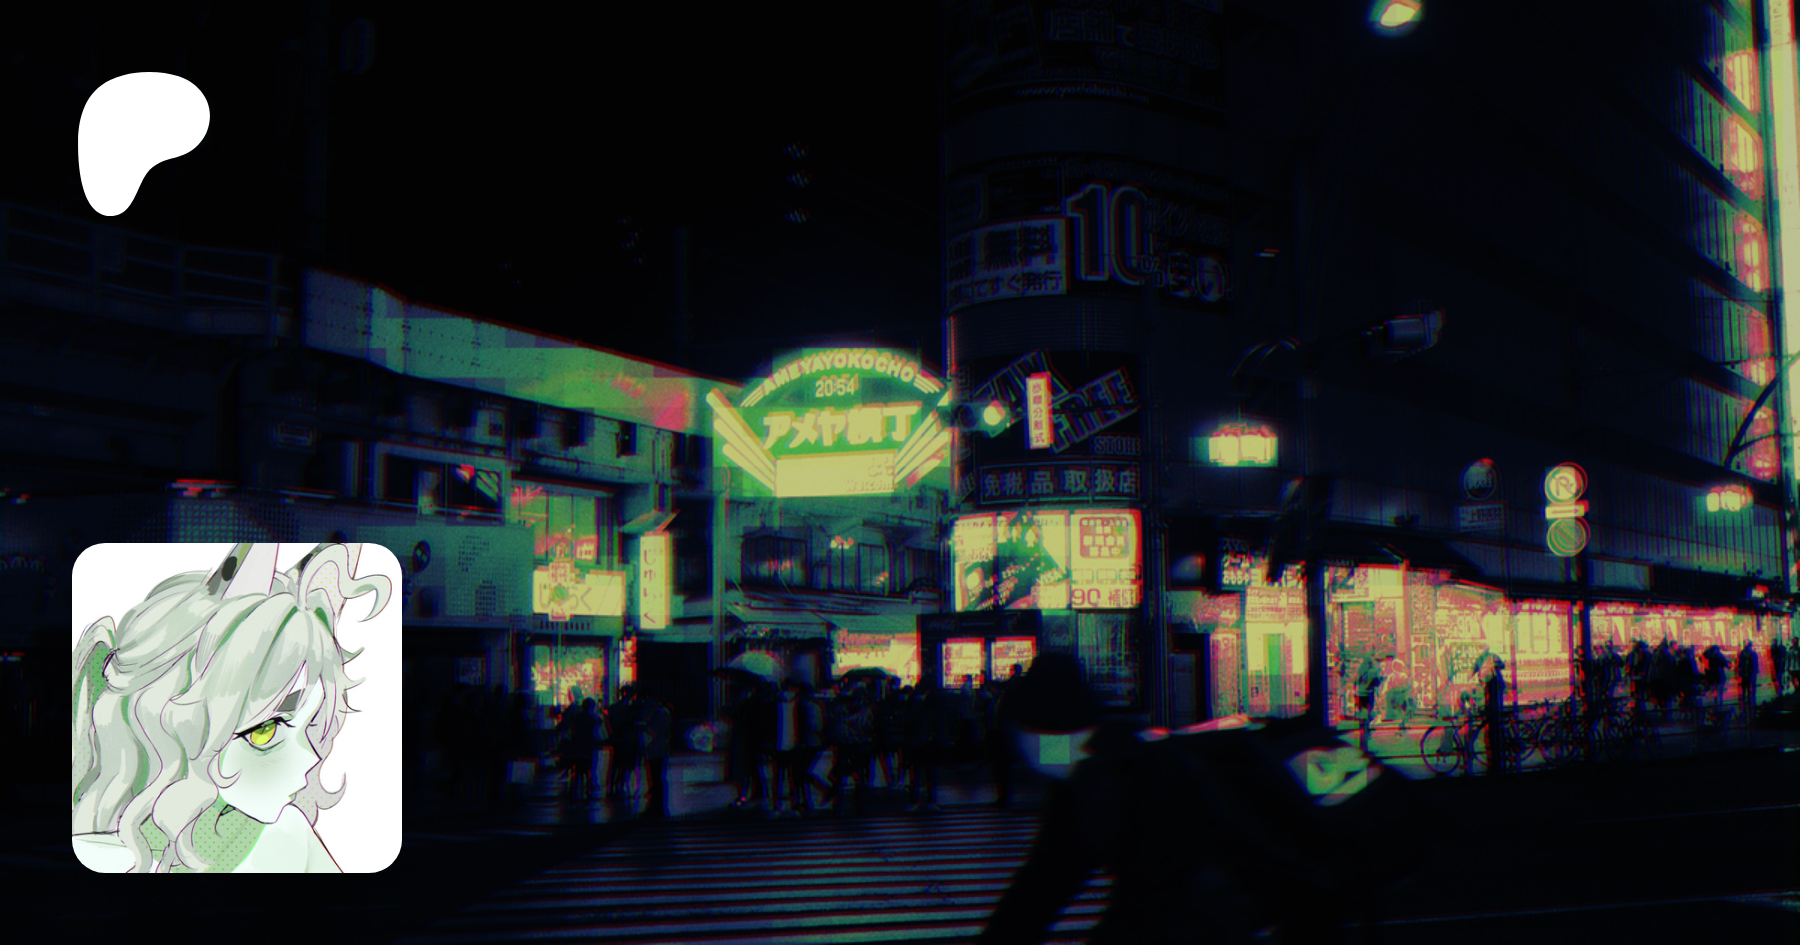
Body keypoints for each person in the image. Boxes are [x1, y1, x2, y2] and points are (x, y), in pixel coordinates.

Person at [979, 653, 1428, 943]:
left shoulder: (1150, 775)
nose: (1015, 751)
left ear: (1043, 737)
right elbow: (1043, 886)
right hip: (1236, 915)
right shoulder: (1085, 783)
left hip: (1288, 910)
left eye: (1018, 737)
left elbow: (1148, 898)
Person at [71, 542, 391, 873]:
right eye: (265, 731)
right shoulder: (99, 855)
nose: (311, 759)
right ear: (175, 723)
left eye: (310, 724)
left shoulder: (283, 839)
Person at [637, 685, 672, 819]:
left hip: (655, 749)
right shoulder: (656, 712)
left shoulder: (657, 712)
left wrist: (644, 727)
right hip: (654, 749)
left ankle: (658, 807)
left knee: (656, 778)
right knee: (654, 778)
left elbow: (658, 731)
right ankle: (657, 806)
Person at [605, 686, 639, 799]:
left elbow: (610, 722)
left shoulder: (614, 707)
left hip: (619, 739)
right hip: (627, 739)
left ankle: (614, 785)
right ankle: (621, 785)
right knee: (624, 765)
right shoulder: (632, 708)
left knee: (617, 764)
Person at [1354, 656, 1382, 752]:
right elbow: (1377, 683)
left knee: (1363, 717)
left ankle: (1363, 740)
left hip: (1360, 695)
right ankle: (1367, 733)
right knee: (1369, 715)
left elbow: (1355, 682)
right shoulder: (1373, 671)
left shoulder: (1360, 670)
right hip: (1369, 694)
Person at [1737, 639, 1760, 710]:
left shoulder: (1743, 653)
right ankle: (1750, 704)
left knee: (1747, 689)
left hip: (1747, 674)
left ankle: (1747, 703)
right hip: (1748, 674)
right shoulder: (1752, 653)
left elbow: (1740, 664)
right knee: (1749, 689)